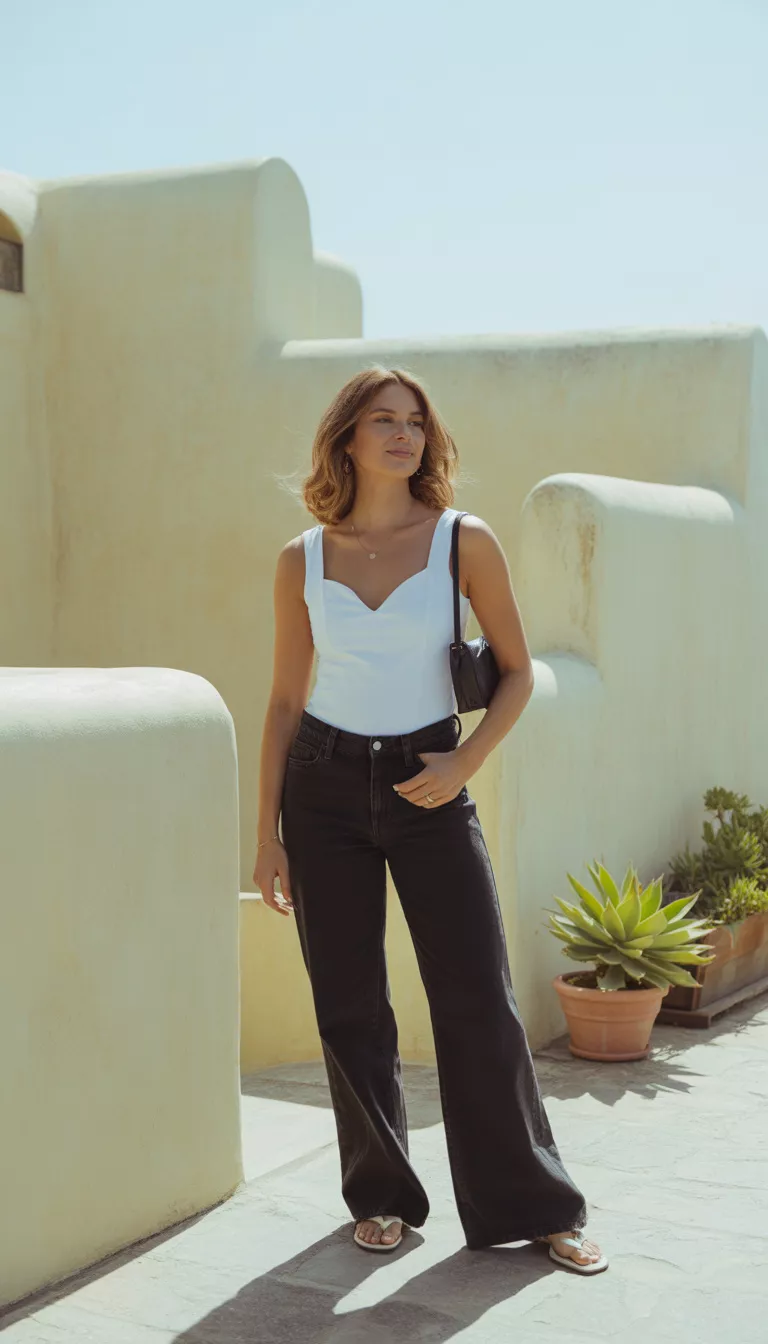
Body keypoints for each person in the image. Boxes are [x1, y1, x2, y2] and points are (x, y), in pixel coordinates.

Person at [253, 366, 607, 1276]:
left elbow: (520, 672)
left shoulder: (462, 541)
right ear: (349, 438)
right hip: (323, 789)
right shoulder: (304, 556)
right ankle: (380, 1199)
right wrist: (267, 832)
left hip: (431, 783)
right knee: (349, 1006)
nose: (404, 434)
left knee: (477, 1000)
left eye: (416, 422)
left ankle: (534, 1205)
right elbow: (286, 701)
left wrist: (462, 763)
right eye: (384, 420)